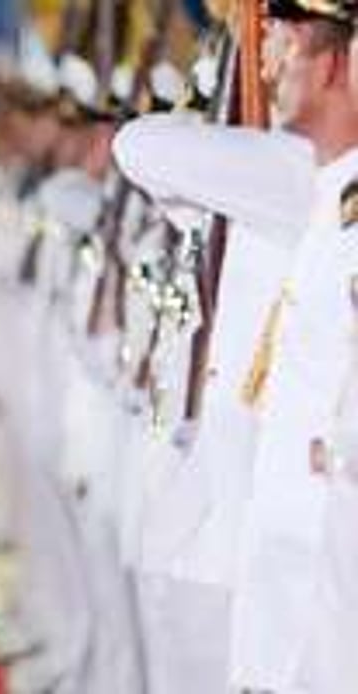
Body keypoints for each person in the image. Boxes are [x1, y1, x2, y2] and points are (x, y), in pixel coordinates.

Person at [113, 1, 358, 690]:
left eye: (280, 42)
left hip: (326, 561)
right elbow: (136, 146)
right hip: (278, 546)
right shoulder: (315, 194)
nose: (266, 62)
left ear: (337, 62)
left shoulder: (294, 177)